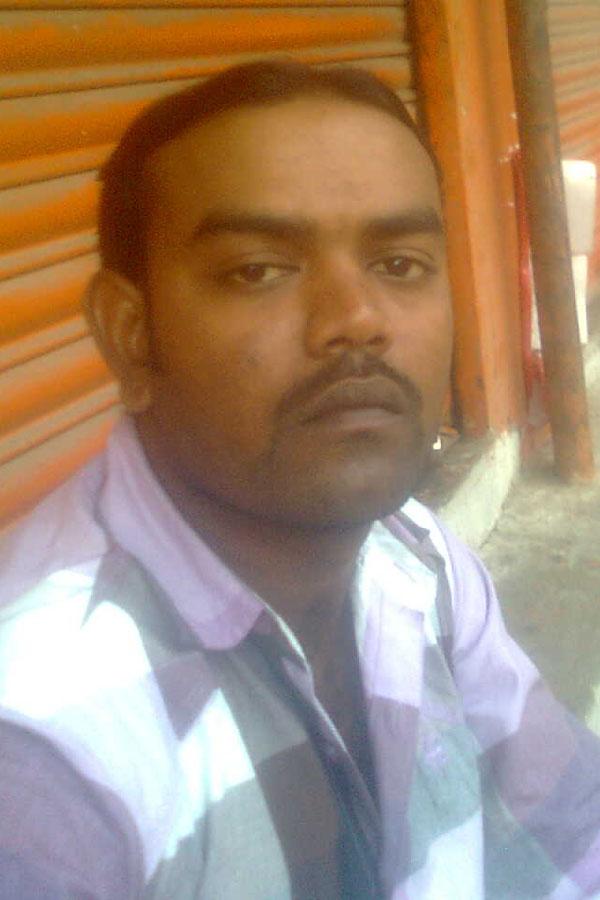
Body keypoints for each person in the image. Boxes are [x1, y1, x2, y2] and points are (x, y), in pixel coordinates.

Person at [0, 60, 599, 900]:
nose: (356, 319)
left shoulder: (418, 562)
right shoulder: (45, 752)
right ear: (129, 334)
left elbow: (570, 824)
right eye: (259, 270)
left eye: (400, 264)